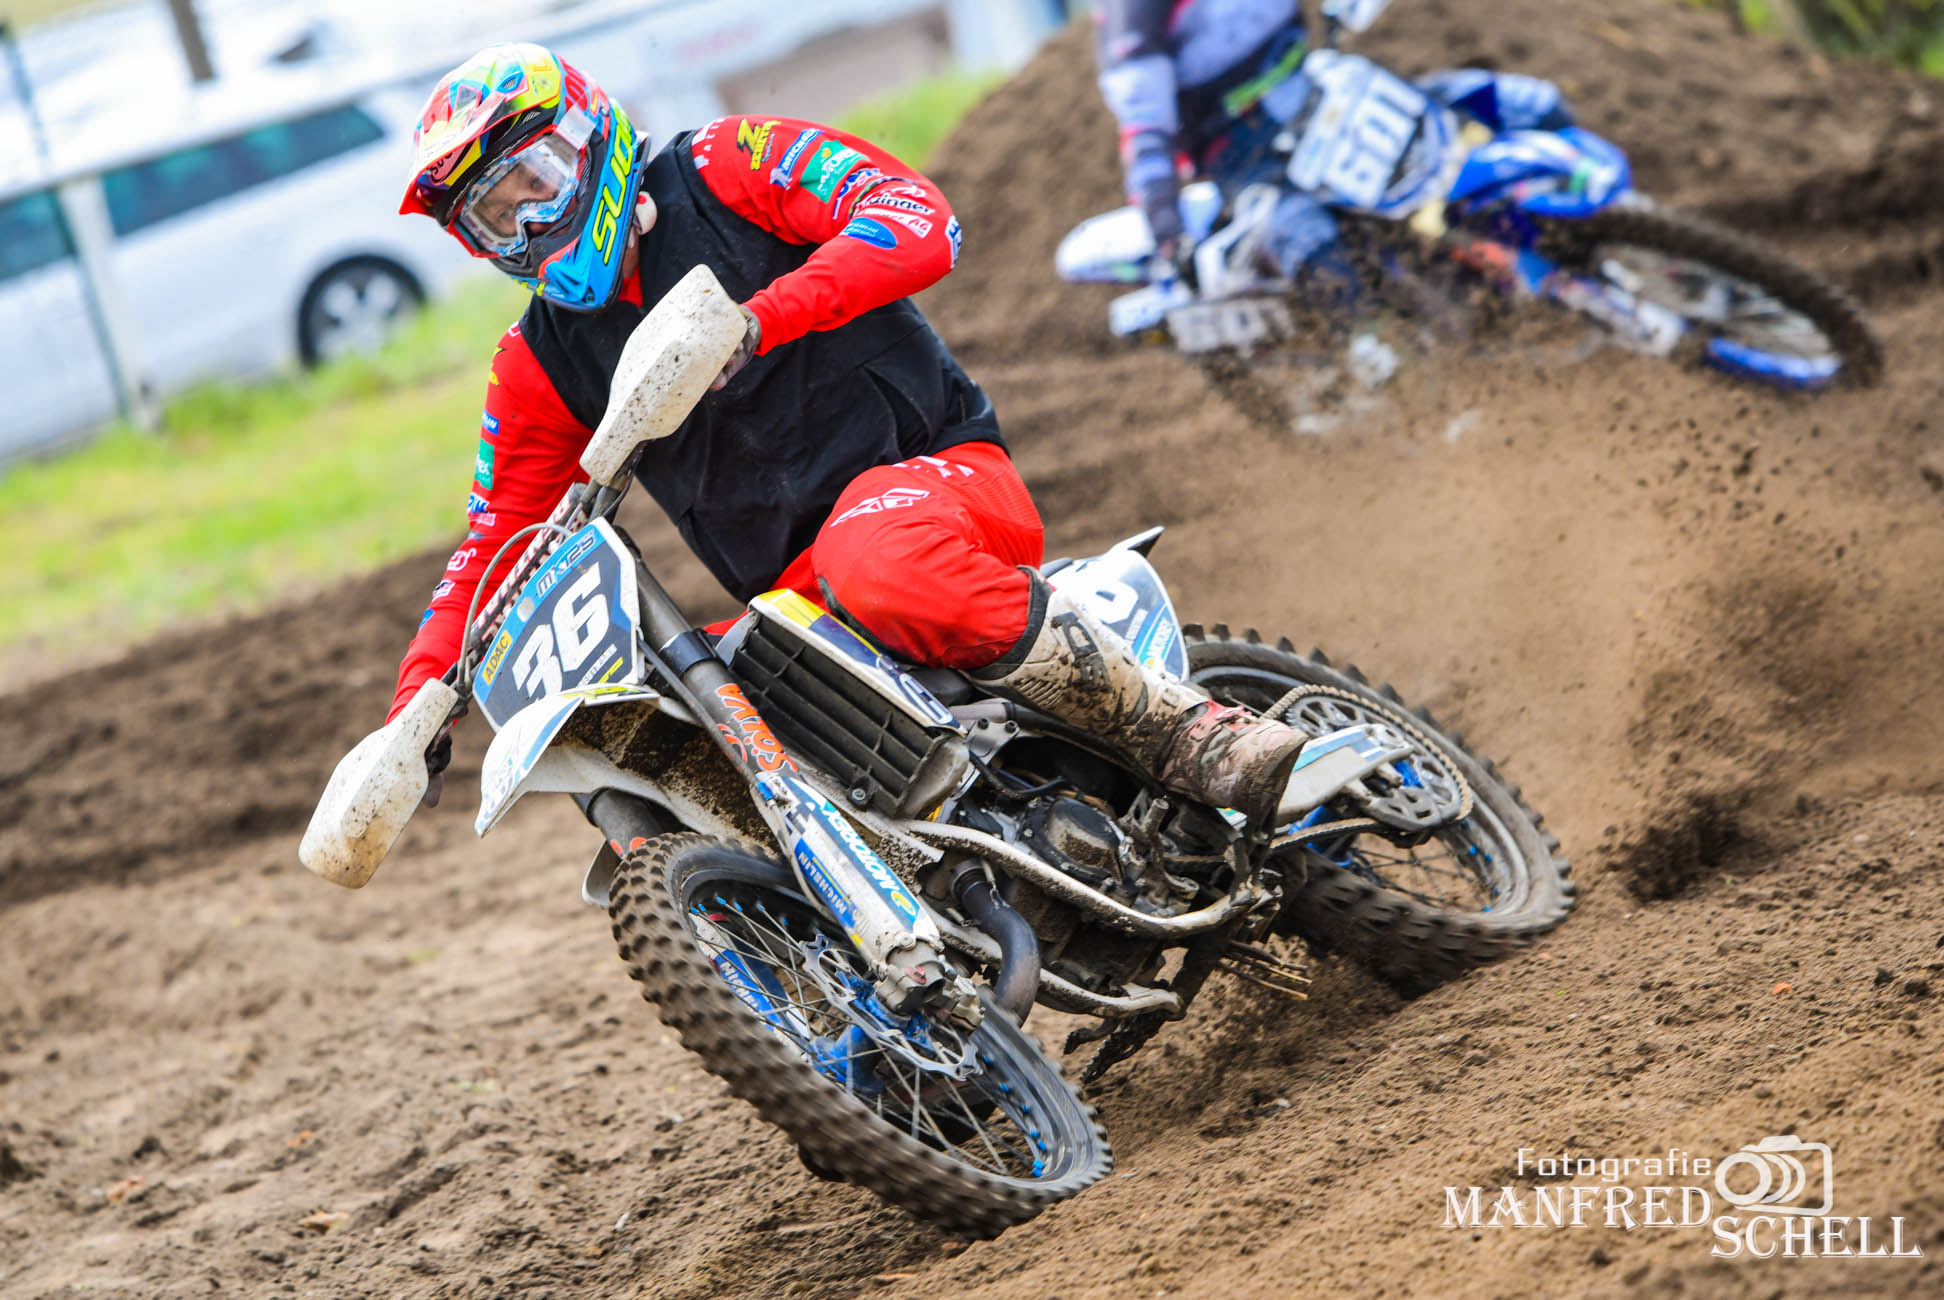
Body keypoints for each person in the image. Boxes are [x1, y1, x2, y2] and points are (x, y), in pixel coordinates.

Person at [388, 42, 1328, 827]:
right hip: (798, 604)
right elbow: (496, 543)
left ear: (591, 133)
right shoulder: (538, 361)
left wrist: (760, 319)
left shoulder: (725, 165)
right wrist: (415, 712)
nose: (531, 220)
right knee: (649, 722)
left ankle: (1190, 732)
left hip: (941, 480)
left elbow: (918, 219)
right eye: (497, 217)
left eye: (538, 180)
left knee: (871, 552)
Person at [1094, 0, 1575, 290]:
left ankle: (1568, 233)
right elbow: (1144, 130)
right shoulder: (1130, 16)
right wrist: (1167, 231)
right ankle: (1396, 391)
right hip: (1247, 159)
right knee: (1325, 264)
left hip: (1327, 85)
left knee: (1532, 106)